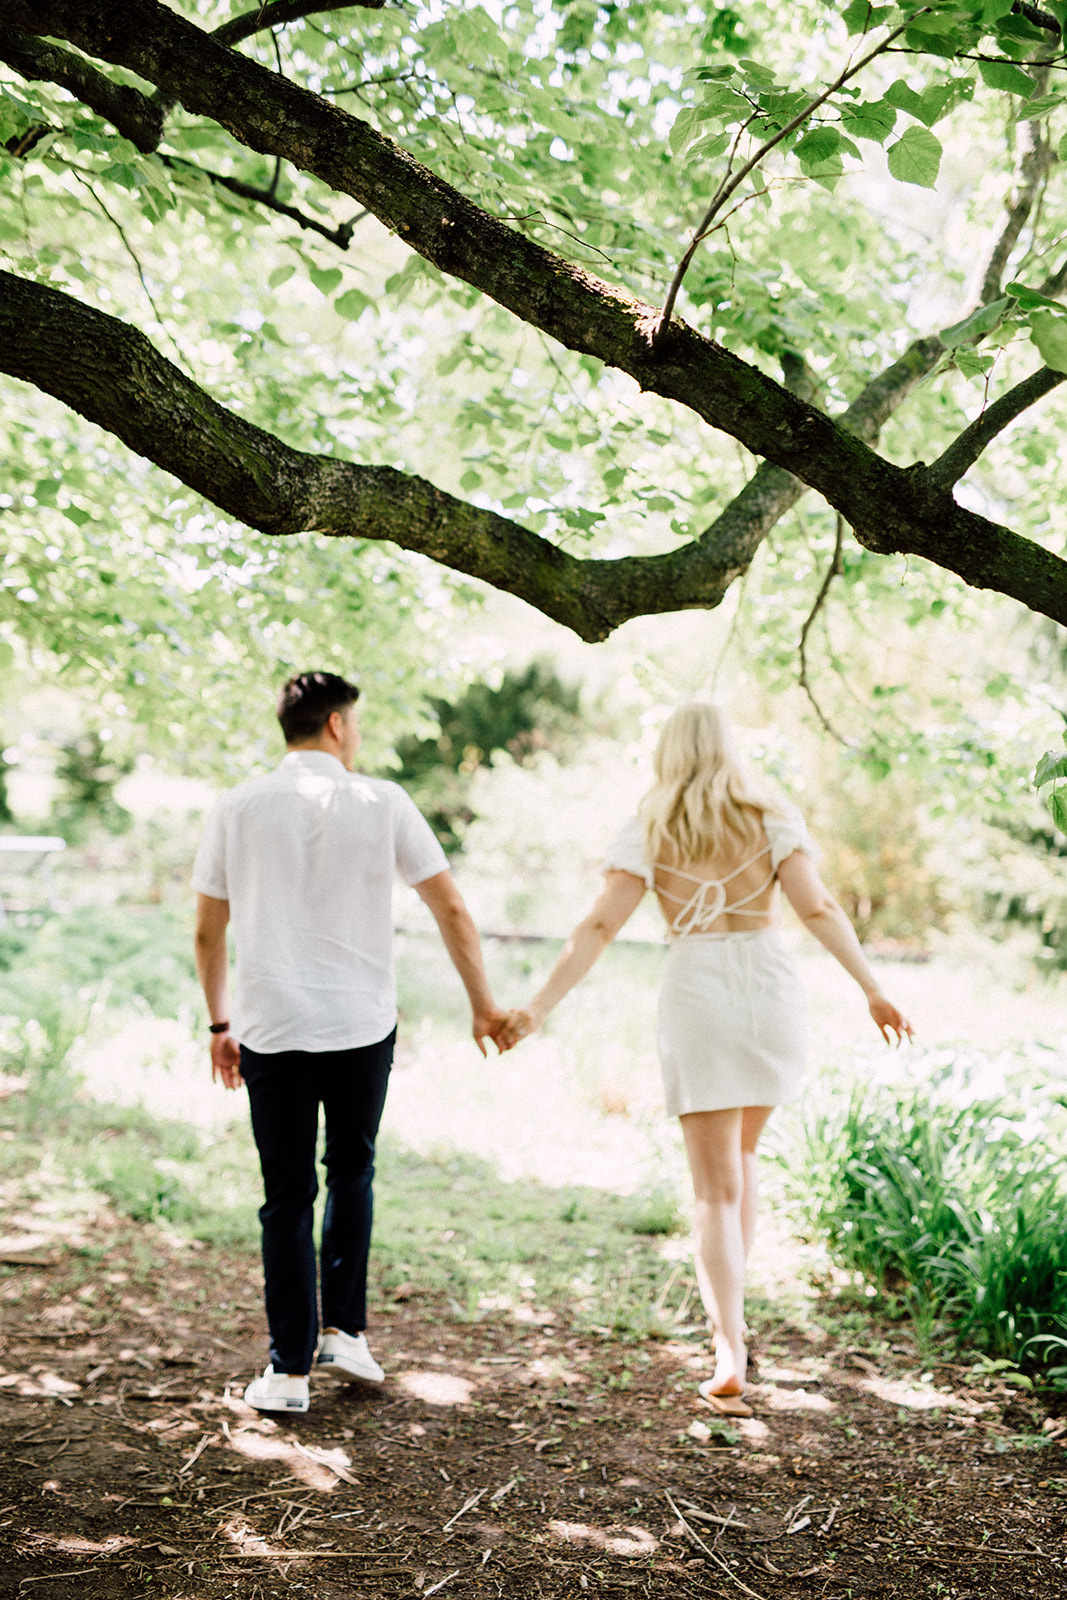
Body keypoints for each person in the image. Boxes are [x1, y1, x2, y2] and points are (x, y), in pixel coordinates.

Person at [497, 704, 911, 1415]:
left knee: (714, 1188)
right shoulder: (770, 814)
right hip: (769, 988)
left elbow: (601, 923)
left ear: (667, 752)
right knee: (742, 1157)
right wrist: (871, 988)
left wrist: (538, 1006)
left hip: (699, 989)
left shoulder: (652, 825)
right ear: (728, 748)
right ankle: (736, 1325)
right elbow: (816, 908)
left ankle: (727, 1347)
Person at [192, 671, 507, 1415]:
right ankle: (346, 1334)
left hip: (270, 1028)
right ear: (336, 724)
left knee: (285, 1196)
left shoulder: (236, 807)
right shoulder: (382, 801)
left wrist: (219, 1025)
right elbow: (451, 908)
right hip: (360, 1025)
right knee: (352, 1171)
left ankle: (287, 1373)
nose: (356, 736)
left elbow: (207, 930)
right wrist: (483, 1006)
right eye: (355, 724)